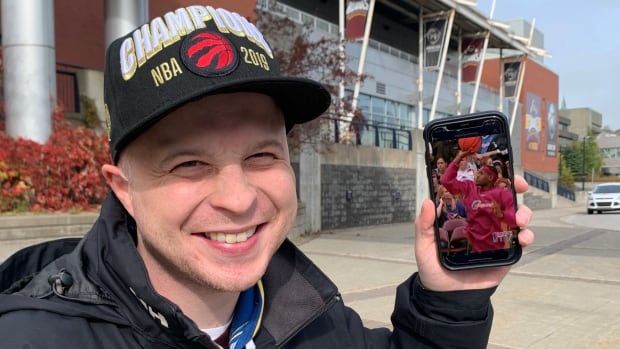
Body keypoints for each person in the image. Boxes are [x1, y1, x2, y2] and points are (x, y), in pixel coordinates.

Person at [0, 4, 535, 348]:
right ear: (124, 190)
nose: (238, 199)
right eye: (190, 164)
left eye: (261, 156)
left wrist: (447, 299)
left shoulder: (310, 315)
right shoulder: (32, 336)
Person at [442, 150, 518, 253]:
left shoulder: (501, 193)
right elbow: (446, 181)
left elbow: (515, 217)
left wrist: (501, 214)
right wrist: (458, 158)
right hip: (473, 247)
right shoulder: (470, 187)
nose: (477, 175)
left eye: (481, 173)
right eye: (477, 172)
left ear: (490, 177)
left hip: (495, 247)